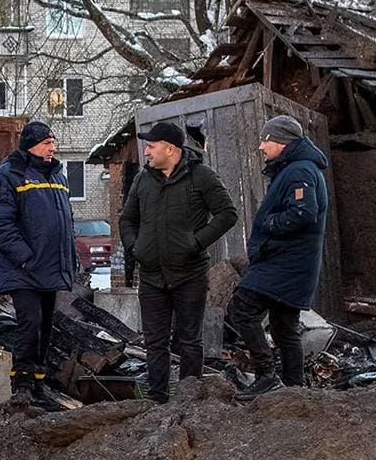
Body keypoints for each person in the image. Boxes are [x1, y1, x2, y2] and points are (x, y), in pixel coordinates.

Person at [119, 120, 238, 403]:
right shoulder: (142, 179)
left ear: (170, 149)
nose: (146, 152)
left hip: (189, 275)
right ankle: (157, 400)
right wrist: (135, 247)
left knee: (189, 341)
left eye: (151, 146)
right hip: (151, 275)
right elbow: (127, 219)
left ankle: (189, 399)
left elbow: (227, 213)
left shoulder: (201, 176)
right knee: (154, 342)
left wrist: (195, 243)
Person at [229, 115, 329, 397]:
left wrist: (267, 225)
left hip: (284, 262)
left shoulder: (300, 172)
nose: (261, 146)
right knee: (285, 326)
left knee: (241, 309)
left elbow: (303, 213)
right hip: (294, 263)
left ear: (282, 142)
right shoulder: (297, 169)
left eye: (266, 140)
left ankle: (266, 375)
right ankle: (294, 389)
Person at [0, 120, 76, 411]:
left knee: (46, 327)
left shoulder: (56, 175)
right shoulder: (8, 175)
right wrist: (25, 256)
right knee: (30, 324)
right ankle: (21, 388)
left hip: (49, 266)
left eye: (53, 142)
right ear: (31, 144)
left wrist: (69, 259)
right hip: (23, 268)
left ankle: (38, 384)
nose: (53, 148)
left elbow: (63, 221)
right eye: (47, 142)